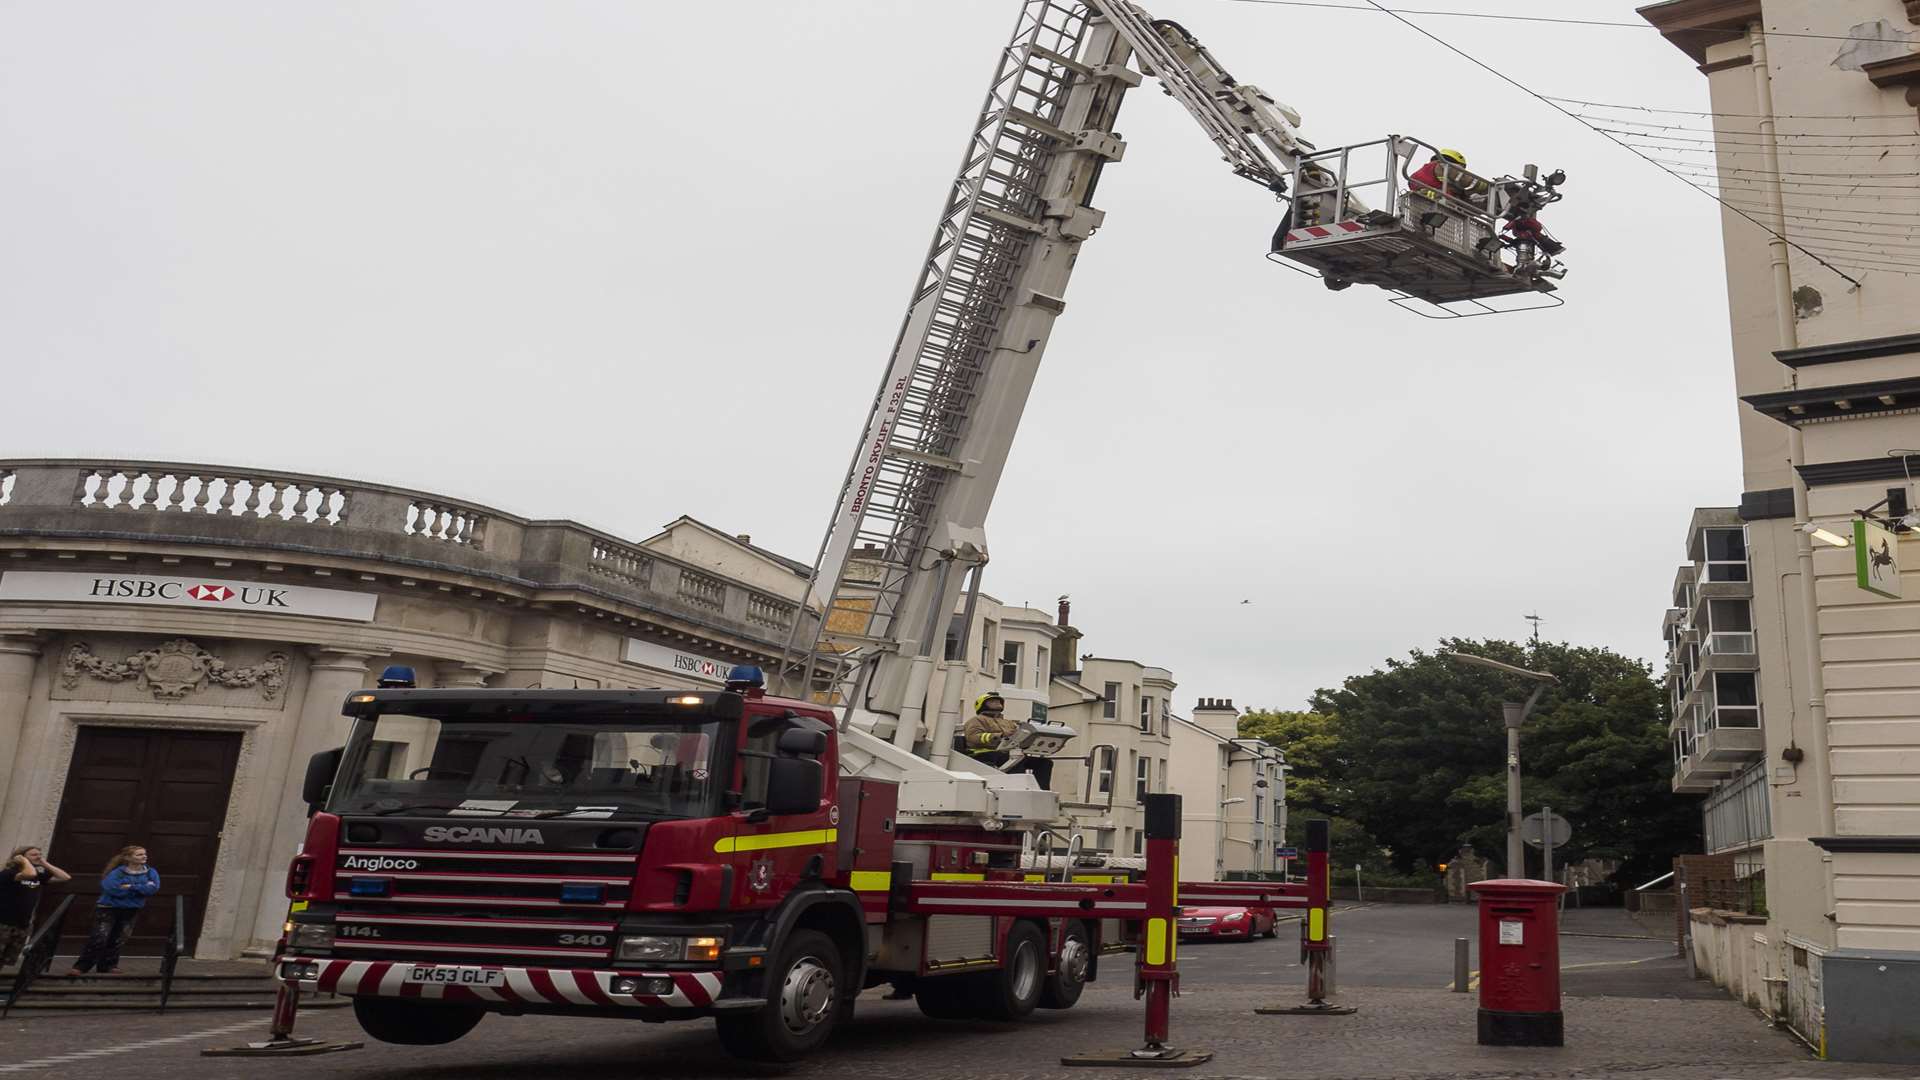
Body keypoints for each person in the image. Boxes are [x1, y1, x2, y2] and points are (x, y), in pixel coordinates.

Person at [67, 845, 158, 976]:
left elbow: (152, 889)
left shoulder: (150, 872)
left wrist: (129, 887)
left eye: (145, 854)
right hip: (109, 908)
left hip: (131, 909)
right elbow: (112, 889)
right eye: (139, 854)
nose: (144, 856)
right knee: (100, 937)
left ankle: (108, 965)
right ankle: (81, 966)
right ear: (128, 858)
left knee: (118, 938)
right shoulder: (117, 872)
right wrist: (140, 888)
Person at [1, 845, 72, 970]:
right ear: (21, 857)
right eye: (34, 855)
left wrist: (44, 863)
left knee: (5, 959)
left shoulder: (37, 876)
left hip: (22, 924)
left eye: (39, 854)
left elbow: (65, 877)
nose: (38, 857)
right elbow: (29, 874)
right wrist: (24, 861)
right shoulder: (10, 873)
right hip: (4, 923)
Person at [960, 694, 1052, 787]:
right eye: (992, 701)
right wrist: (998, 736)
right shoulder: (976, 720)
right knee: (1015, 760)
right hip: (984, 753)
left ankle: (1041, 790)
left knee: (1044, 763)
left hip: (1008, 753)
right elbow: (973, 737)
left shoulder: (1008, 722)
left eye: (999, 701)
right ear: (981, 705)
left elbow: (1018, 736)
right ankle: (1018, 788)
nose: (997, 703)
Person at [1409, 148, 1475, 202]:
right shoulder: (1443, 167)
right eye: (1460, 169)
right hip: (1439, 205)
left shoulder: (1421, 174)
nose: (1461, 172)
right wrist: (1483, 187)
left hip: (1423, 206)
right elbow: (1468, 181)